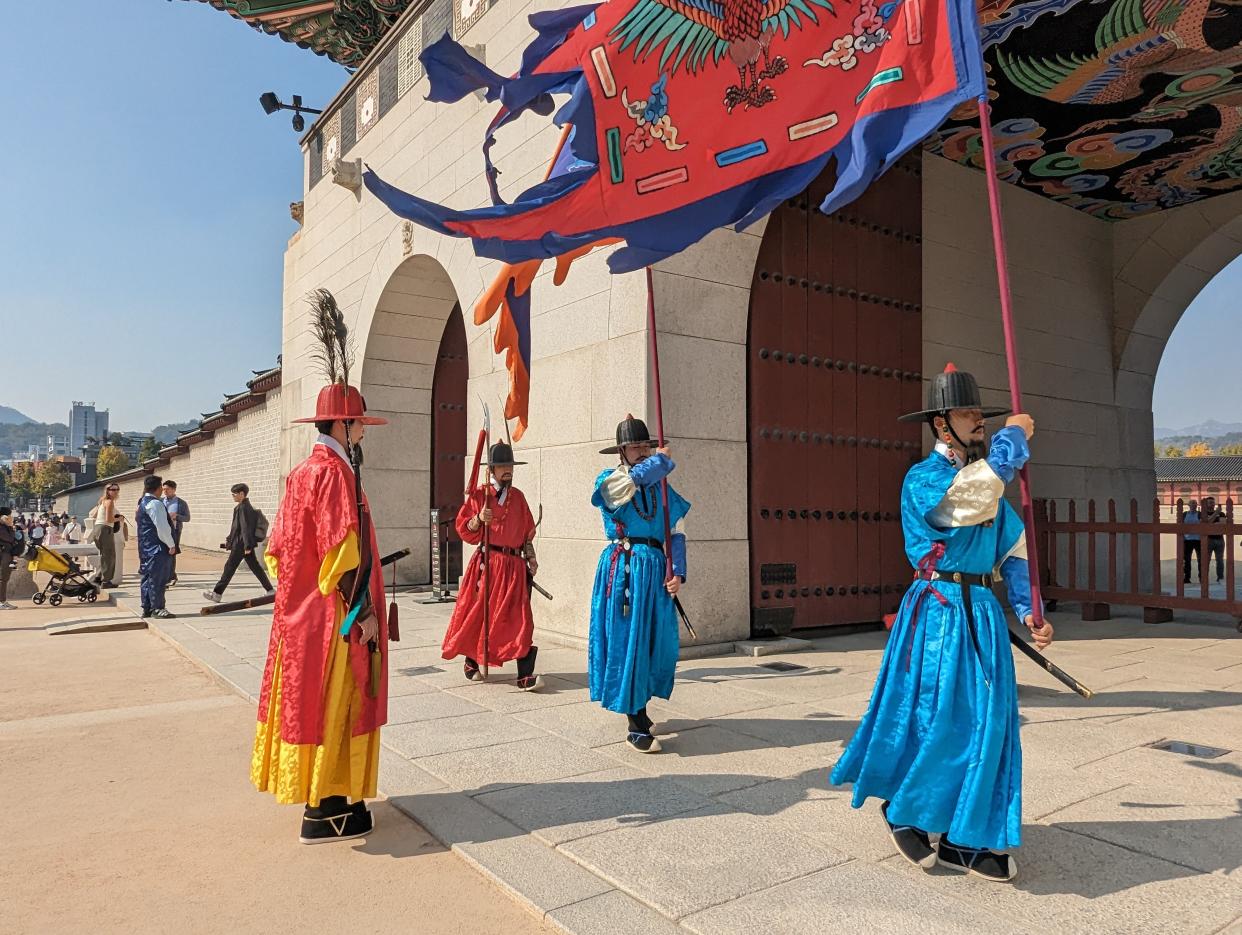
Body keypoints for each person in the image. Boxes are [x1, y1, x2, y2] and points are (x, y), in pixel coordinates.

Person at [830, 364, 1051, 884]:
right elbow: (968, 500)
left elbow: (1013, 548)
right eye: (969, 414)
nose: (980, 422)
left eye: (982, 414)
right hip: (940, 610)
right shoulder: (926, 480)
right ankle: (904, 807)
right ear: (941, 426)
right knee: (940, 719)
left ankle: (962, 835)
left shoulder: (987, 480)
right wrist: (1015, 437)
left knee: (989, 723)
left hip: (982, 614)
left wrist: (1027, 610)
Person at [250, 370, 391, 845]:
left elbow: (279, 550)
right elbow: (340, 550)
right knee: (340, 702)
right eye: (359, 423)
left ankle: (330, 799)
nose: (363, 430)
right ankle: (329, 808)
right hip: (335, 616)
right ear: (343, 426)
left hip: (304, 615)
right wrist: (363, 613)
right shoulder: (331, 474)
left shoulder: (302, 472)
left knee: (313, 703)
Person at [589, 415, 690, 753]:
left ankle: (641, 706)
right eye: (636, 446)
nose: (642, 451)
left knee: (653, 642)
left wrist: (676, 571)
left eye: (646, 445)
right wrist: (659, 463)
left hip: (656, 569)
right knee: (627, 640)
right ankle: (635, 718)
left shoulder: (662, 485)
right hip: (625, 571)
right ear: (622, 451)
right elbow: (622, 490)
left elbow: (675, 531)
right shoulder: (611, 479)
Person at [442, 442, 541, 690]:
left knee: (520, 618)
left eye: (510, 466)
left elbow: (527, 534)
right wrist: (478, 519)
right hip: (488, 565)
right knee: (480, 615)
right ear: (492, 469)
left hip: (514, 568)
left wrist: (531, 558)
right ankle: (472, 660)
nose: (508, 470)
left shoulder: (518, 497)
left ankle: (524, 674)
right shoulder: (479, 496)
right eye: (503, 466)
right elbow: (464, 530)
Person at [202, 483, 274, 602]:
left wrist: (247, 545)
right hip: (243, 543)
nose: (233, 496)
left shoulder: (243, 508)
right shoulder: (244, 506)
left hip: (241, 544)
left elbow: (245, 528)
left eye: (234, 494)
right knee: (255, 567)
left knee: (229, 568)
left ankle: (217, 593)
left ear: (242, 494)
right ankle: (270, 590)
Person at [135, 475, 176, 619]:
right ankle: (157, 608)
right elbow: (162, 527)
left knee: (147, 577)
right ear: (158, 488)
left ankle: (147, 607)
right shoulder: (155, 504)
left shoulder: (142, 503)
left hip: (146, 547)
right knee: (158, 579)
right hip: (157, 547)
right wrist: (171, 544)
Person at [88, 483, 126, 588]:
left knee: (105, 555)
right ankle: (106, 581)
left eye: (117, 489)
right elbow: (109, 519)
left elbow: (94, 515)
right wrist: (119, 518)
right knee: (109, 556)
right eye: (112, 489)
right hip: (105, 529)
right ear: (107, 490)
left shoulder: (102, 501)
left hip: (98, 529)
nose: (115, 491)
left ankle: (98, 577)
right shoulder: (109, 502)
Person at [161, 480, 191, 587]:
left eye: (167, 489)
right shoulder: (160, 501)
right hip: (161, 531)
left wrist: (176, 516)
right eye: (163, 489)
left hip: (175, 531)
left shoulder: (181, 503)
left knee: (171, 553)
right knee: (162, 553)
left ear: (174, 489)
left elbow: (187, 518)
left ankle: (171, 577)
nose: (165, 491)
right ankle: (166, 575)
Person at [1201, 496, 1226, 583]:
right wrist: (1216, 514)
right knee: (1206, 559)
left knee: (1220, 560)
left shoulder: (1222, 513)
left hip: (1220, 539)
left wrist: (1211, 523)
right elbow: (1206, 523)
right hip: (1208, 539)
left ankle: (1220, 578)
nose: (1212, 504)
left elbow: (1222, 525)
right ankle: (1204, 578)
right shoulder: (1203, 513)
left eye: (1213, 502)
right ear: (1206, 504)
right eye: (1210, 502)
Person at [0, 508, 20, 609]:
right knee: (3, 579)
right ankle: (1, 602)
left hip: (5, 554)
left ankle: (2, 601)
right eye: (9, 516)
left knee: (4, 579)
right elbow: (10, 539)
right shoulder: (2, 527)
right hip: (4, 554)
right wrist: (11, 527)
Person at [1182, 498, 1202, 584]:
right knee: (1187, 560)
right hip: (1187, 539)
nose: (1194, 505)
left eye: (1195, 504)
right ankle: (1187, 578)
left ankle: (1201, 578)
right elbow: (1180, 526)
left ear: (1197, 505)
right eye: (1192, 503)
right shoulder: (1184, 514)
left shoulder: (1200, 514)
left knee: (1201, 560)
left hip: (1198, 539)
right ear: (1188, 505)